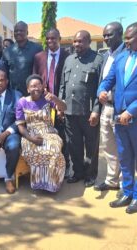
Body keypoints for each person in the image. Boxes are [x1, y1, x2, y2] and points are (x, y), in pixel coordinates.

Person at [98, 22, 137, 214]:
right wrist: (102, 91)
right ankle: (128, 192)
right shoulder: (121, 58)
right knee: (125, 157)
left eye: (130, 38)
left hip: (133, 117)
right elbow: (107, 80)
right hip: (119, 118)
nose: (126, 42)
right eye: (126, 38)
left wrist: (131, 110)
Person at [59, 30, 103, 187]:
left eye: (80, 41)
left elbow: (101, 88)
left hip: (88, 112)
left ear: (89, 41)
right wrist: (60, 106)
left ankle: (90, 175)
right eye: (75, 41)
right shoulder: (69, 59)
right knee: (74, 144)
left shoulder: (98, 60)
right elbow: (63, 85)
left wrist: (96, 111)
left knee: (91, 145)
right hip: (69, 111)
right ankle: (78, 172)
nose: (76, 44)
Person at [16, 74, 67, 192]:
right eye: (32, 86)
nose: (36, 88)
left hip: (49, 132)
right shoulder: (22, 102)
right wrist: (31, 138)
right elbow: (20, 127)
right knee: (34, 150)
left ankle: (52, 183)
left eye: (38, 85)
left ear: (43, 86)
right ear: (28, 89)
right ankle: (39, 182)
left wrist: (55, 99)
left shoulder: (48, 99)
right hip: (30, 135)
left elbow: (64, 108)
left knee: (53, 149)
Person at [32, 28, 71, 178]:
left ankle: (65, 167)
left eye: (53, 38)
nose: (50, 41)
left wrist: (60, 104)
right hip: (44, 102)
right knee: (48, 135)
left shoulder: (68, 56)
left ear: (59, 39)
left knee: (63, 136)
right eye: (47, 39)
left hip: (61, 101)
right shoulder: (39, 57)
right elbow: (35, 78)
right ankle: (49, 167)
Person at [94, 22, 125, 192]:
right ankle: (112, 180)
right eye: (104, 35)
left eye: (109, 35)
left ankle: (124, 183)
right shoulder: (106, 56)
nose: (106, 38)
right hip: (106, 107)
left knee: (123, 147)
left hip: (121, 109)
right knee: (108, 146)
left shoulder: (126, 54)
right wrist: (100, 93)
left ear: (119, 34)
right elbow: (103, 81)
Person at [2, 21, 42, 96]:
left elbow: (41, 71)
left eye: (21, 30)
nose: (18, 33)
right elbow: (5, 73)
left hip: (32, 94)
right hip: (13, 94)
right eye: (16, 31)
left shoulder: (37, 49)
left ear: (27, 32)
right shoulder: (7, 51)